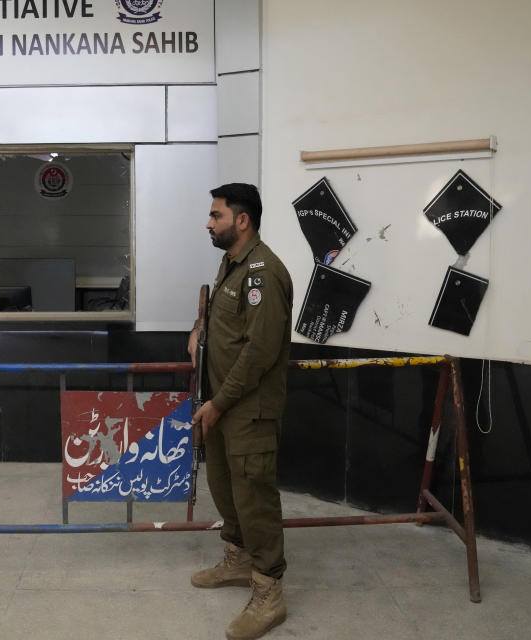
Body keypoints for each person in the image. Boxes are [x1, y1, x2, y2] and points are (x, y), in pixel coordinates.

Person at [189, 183, 293, 640]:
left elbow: (259, 352)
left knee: (255, 498)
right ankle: (237, 560)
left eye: (216, 215)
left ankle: (269, 594)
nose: (209, 223)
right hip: (223, 404)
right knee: (225, 487)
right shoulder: (233, 264)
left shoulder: (263, 273)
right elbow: (224, 322)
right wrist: (199, 328)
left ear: (242, 219)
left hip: (246, 408)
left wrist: (218, 402)